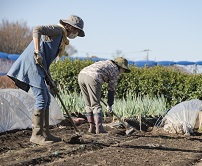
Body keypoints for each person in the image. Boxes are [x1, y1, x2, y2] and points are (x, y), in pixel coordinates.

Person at [7, 15, 85, 145]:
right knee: (42, 98)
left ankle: (46, 133)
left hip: (39, 67)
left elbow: (46, 61)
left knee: (47, 98)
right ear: (70, 26)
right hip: (32, 65)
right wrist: (37, 51)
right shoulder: (58, 30)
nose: (76, 34)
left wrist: (50, 81)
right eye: (76, 30)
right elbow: (37, 29)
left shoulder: (61, 39)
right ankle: (36, 135)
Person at [78, 57, 131, 134]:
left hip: (81, 75)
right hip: (93, 77)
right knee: (96, 105)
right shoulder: (115, 71)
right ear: (120, 66)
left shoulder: (106, 63)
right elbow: (111, 90)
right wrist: (110, 104)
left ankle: (92, 128)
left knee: (88, 104)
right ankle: (99, 129)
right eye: (123, 70)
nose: (122, 72)